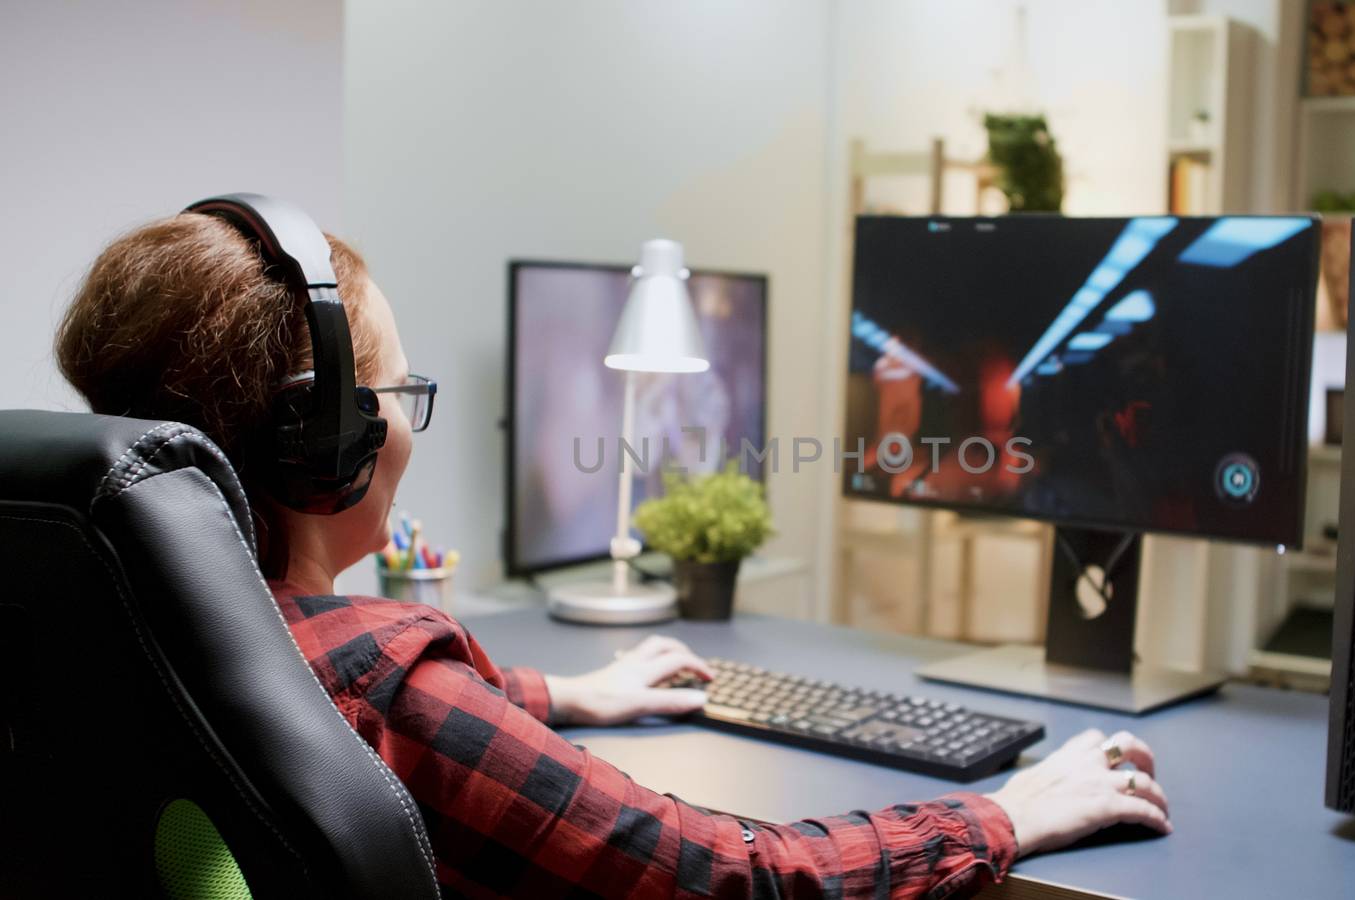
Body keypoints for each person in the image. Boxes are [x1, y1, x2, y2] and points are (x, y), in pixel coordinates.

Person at [54, 209, 1171, 898]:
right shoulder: (389, 691)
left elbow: (374, 722)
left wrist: (568, 695)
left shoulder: (110, 627)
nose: (404, 423)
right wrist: (1004, 816)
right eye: (396, 392)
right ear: (327, 438)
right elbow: (733, 878)